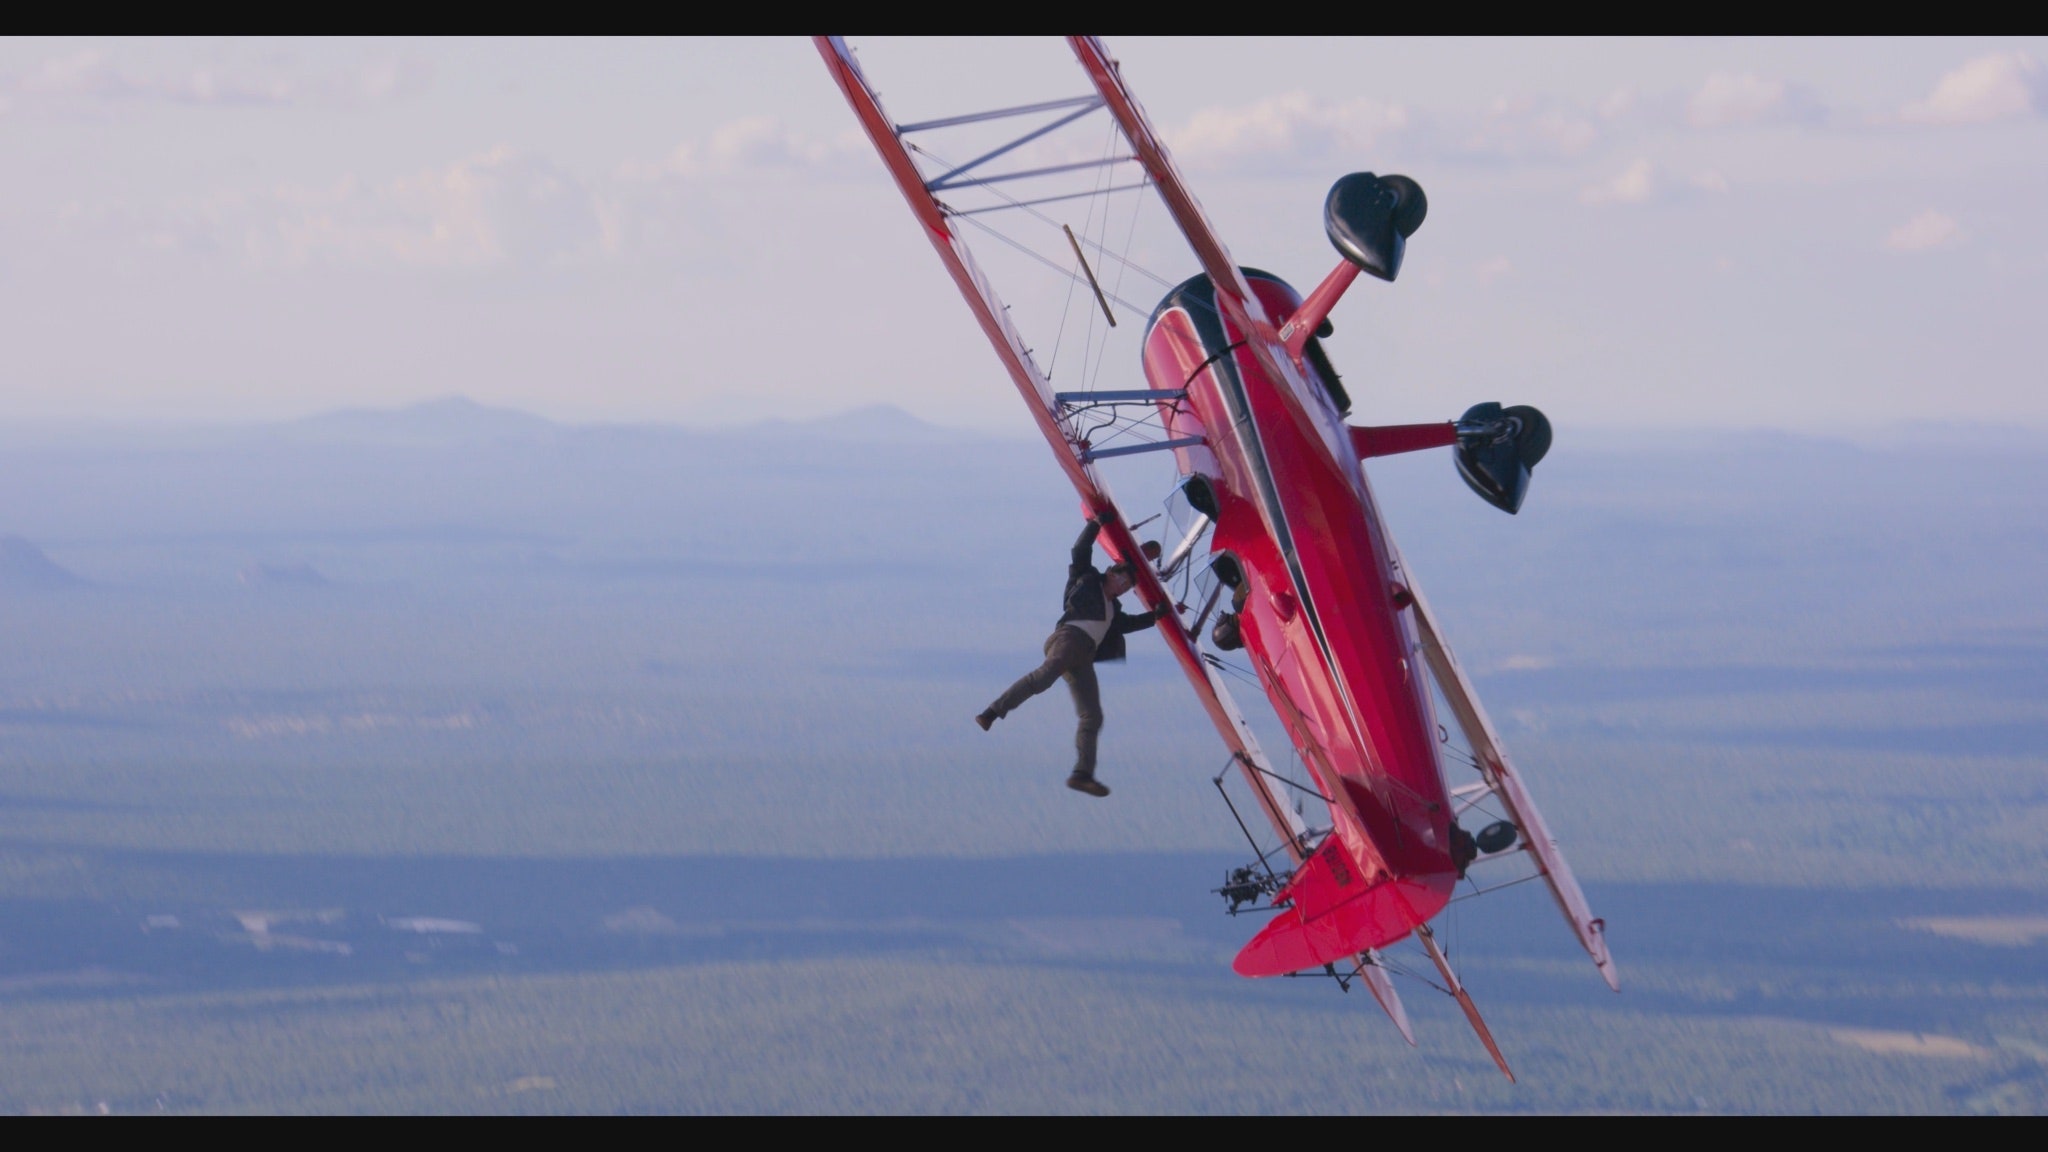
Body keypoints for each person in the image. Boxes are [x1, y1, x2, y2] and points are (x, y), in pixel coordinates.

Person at [976, 512, 1166, 797]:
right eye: (1122, 580)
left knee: (1092, 715)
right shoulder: (1087, 580)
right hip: (1068, 638)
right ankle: (991, 712)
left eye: (1128, 586)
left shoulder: (1113, 611)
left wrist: (1155, 617)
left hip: (1084, 655)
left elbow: (1128, 625)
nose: (1124, 587)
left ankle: (1082, 774)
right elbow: (1080, 551)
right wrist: (1096, 523)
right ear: (1110, 573)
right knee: (1044, 678)